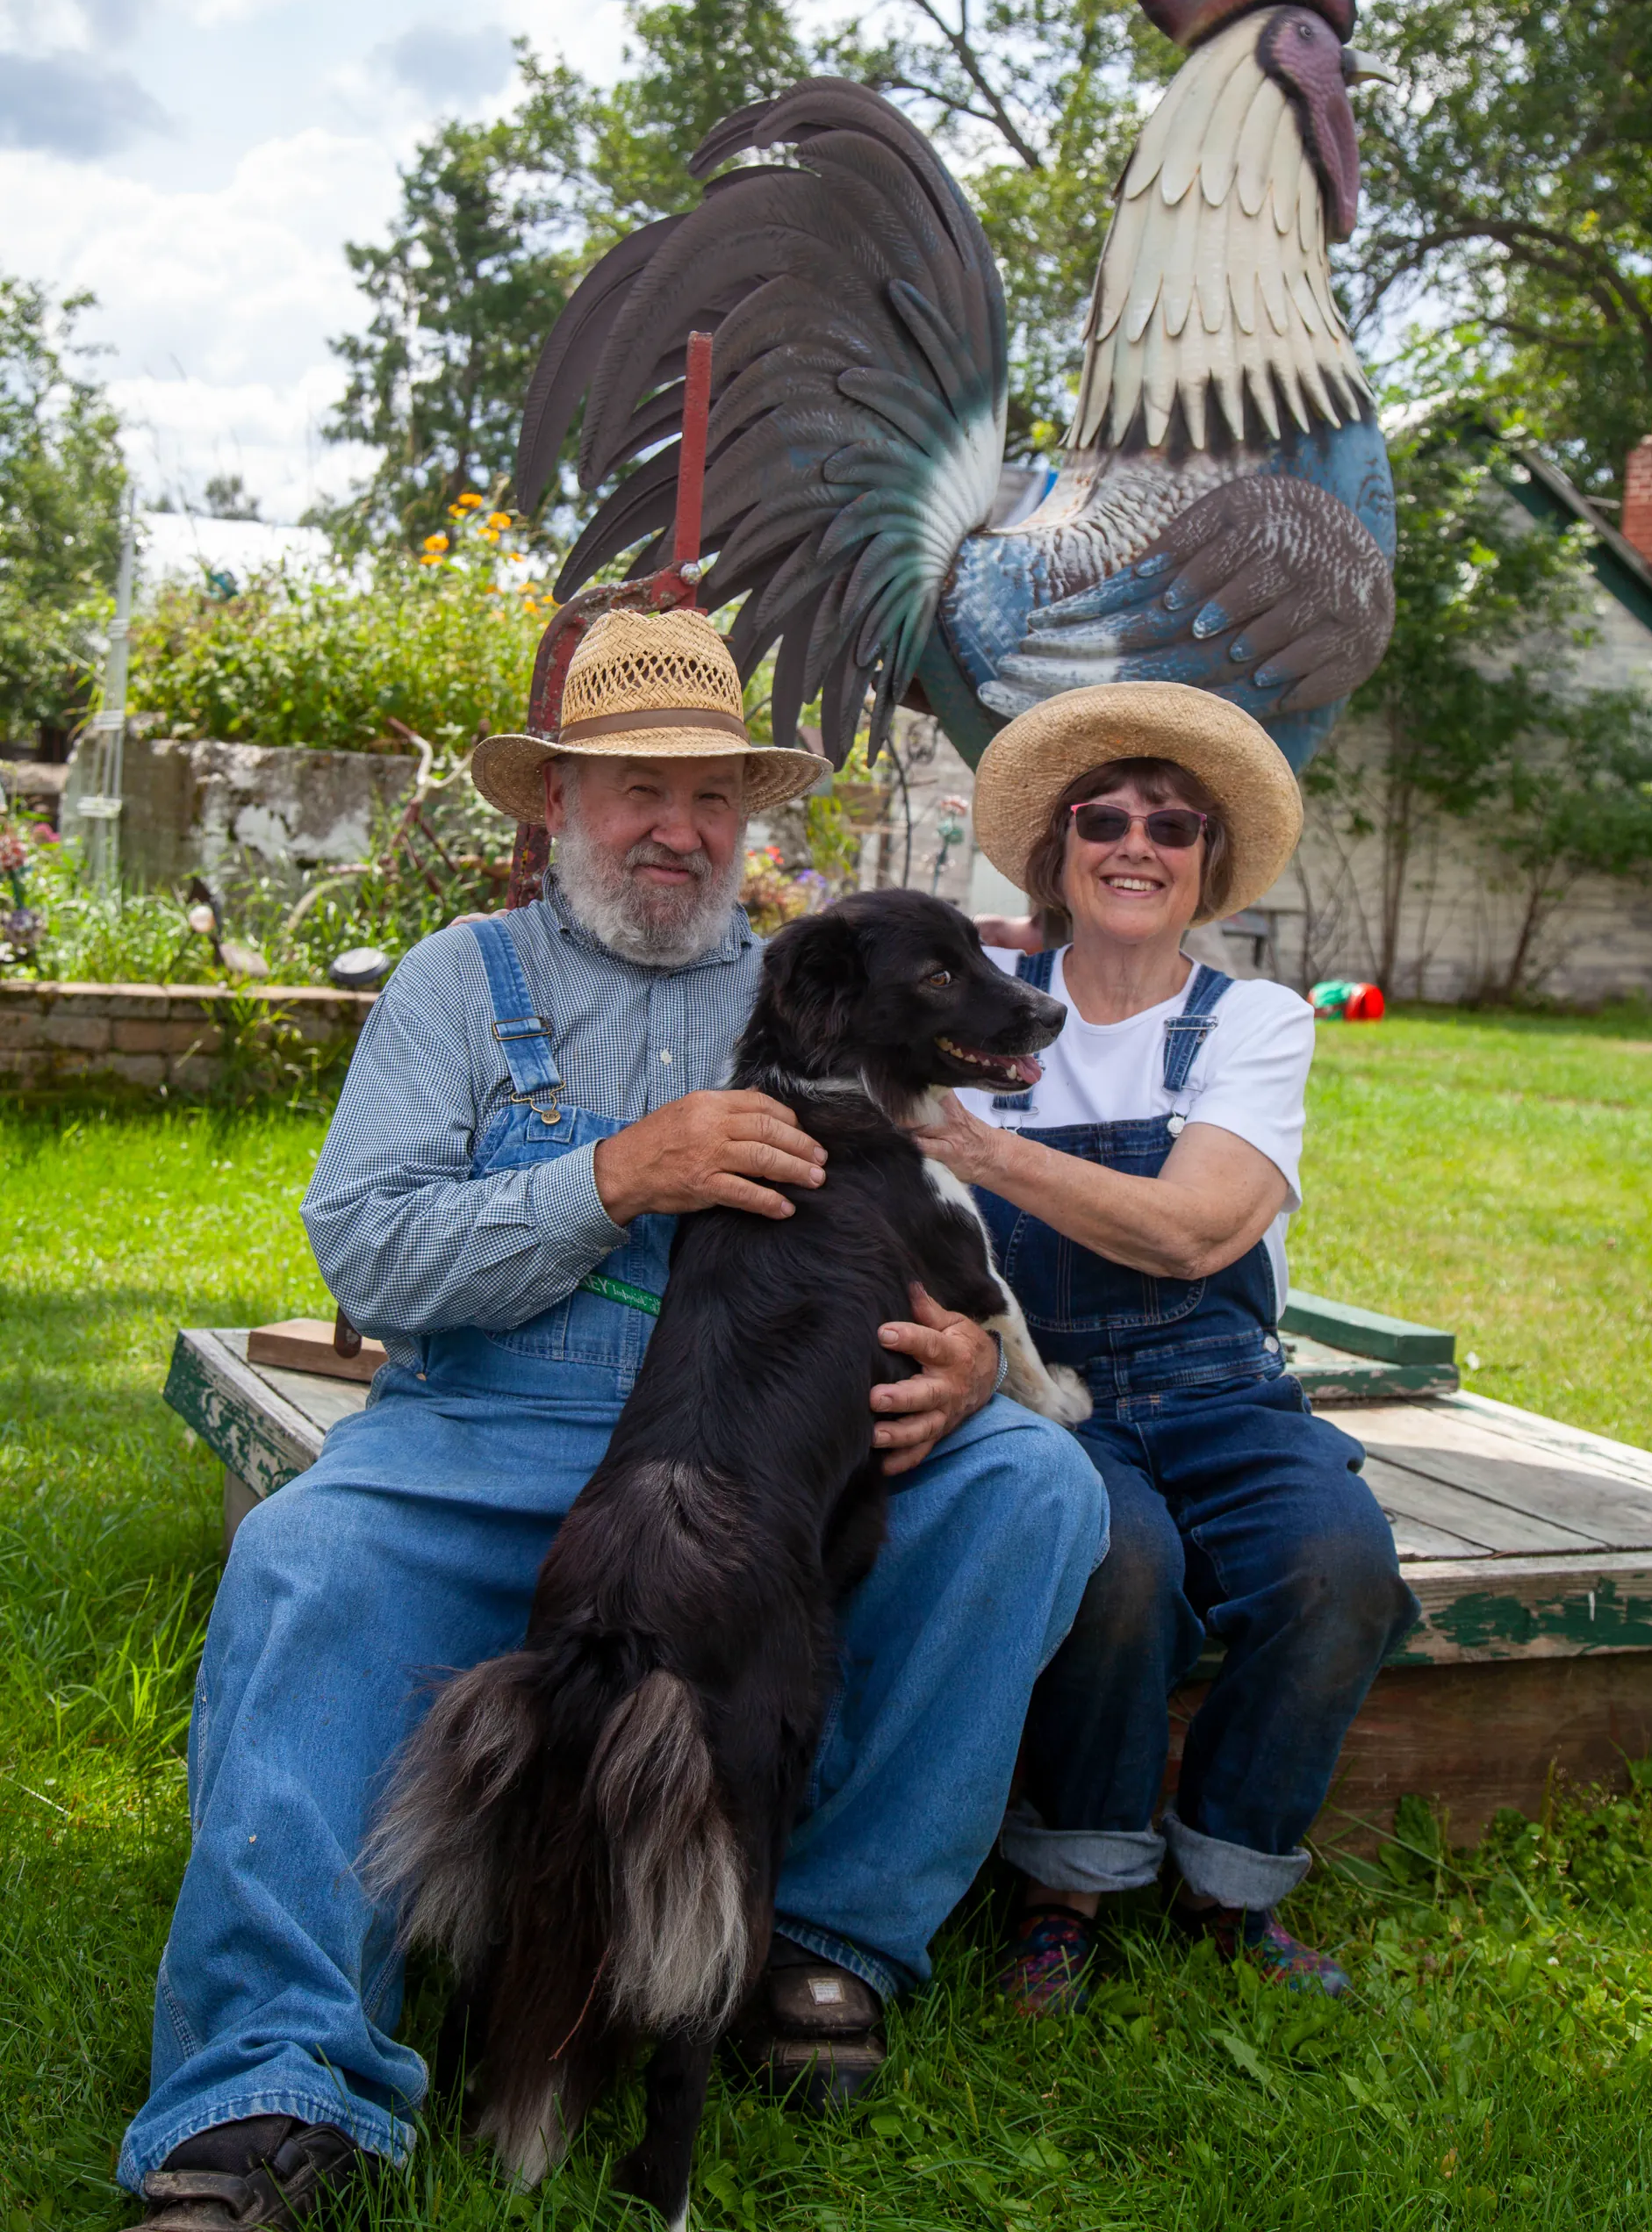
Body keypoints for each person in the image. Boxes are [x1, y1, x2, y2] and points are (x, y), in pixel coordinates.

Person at [118, 607, 1108, 2232]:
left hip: (774, 1440)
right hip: (488, 1430)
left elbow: (933, 1224)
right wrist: (606, 1180)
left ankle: (814, 1943)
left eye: (714, 796)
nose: (679, 829)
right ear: (558, 805)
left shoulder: (820, 982)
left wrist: (973, 1369)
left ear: (747, 820)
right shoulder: (460, 984)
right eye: (637, 791)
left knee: (1038, 1495)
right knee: (304, 1557)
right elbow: (363, 1248)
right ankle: (272, 2084)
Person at [914, 681, 1419, 2010]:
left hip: (1217, 1384)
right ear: (1059, 849)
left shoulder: (1254, 1024)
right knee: (1120, 1563)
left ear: (1208, 866)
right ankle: (1064, 1893)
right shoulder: (976, 991)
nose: (1137, 844)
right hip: (1036, 1380)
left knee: (1338, 1563)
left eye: (1175, 827)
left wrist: (976, 1144)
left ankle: (1231, 1885)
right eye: (1105, 818)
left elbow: (1198, 1232)